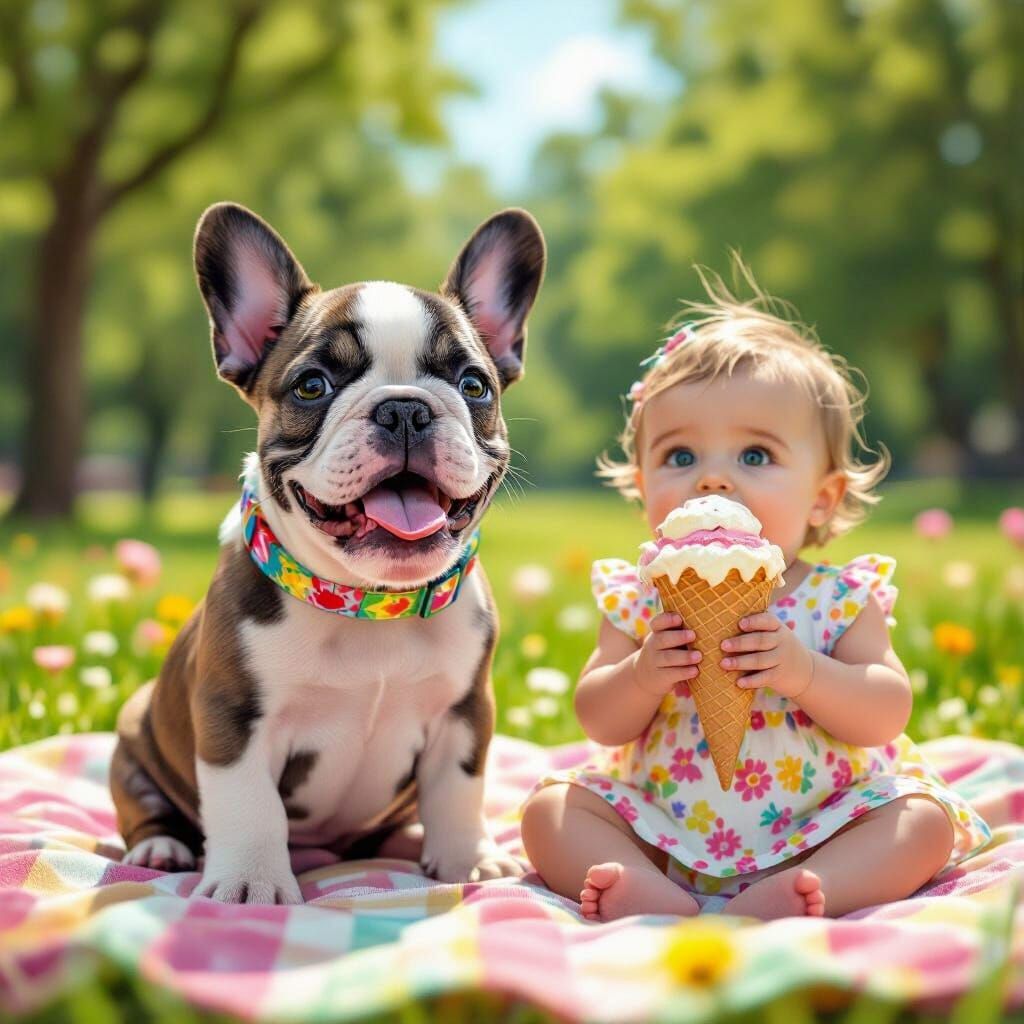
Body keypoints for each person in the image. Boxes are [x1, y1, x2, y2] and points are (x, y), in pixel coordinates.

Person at [520, 269, 990, 922]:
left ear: (821, 498)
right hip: (665, 825)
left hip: (823, 822)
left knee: (921, 821)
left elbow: (886, 711)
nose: (712, 479)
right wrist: (642, 672)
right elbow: (599, 719)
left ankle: (815, 886)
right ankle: (649, 890)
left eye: (756, 456)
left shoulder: (839, 598)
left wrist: (806, 672)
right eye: (679, 457)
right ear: (640, 486)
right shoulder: (640, 598)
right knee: (551, 812)